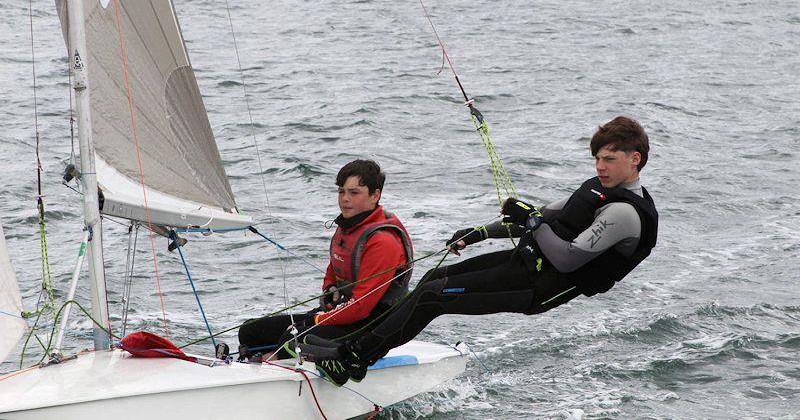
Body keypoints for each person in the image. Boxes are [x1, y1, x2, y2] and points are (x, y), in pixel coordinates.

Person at [302, 116, 658, 384]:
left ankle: (354, 359)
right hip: (523, 263)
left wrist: (533, 222)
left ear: (635, 159)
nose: (600, 166)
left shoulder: (625, 213)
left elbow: (566, 256)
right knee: (434, 277)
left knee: (434, 297)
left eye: (610, 159)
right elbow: (539, 217)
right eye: (597, 157)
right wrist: (477, 234)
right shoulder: (597, 188)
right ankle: (361, 340)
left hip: (540, 288)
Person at [237, 159, 413, 383]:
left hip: (373, 324)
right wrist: (329, 288)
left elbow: (361, 307)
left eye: (354, 192)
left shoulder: (383, 241)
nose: (345, 199)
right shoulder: (349, 227)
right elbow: (335, 269)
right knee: (250, 331)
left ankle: (280, 373)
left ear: (375, 195)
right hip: (345, 315)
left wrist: (318, 319)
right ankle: (256, 371)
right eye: (341, 191)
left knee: (294, 339)